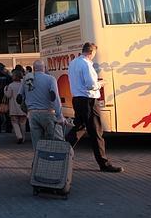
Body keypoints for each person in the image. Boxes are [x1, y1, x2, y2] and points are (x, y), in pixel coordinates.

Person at [66, 43, 123, 173]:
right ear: (91, 52)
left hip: (77, 99)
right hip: (89, 100)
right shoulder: (86, 64)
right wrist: (101, 83)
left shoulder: (74, 63)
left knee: (79, 128)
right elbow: (91, 85)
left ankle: (61, 151)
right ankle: (104, 163)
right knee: (96, 132)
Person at [18, 60, 64, 150]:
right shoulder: (50, 79)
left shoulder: (26, 80)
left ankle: (38, 162)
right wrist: (59, 115)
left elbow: (19, 98)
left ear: (34, 69)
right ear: (44, 68)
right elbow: (54, 98)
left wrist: (26, 110)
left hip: (32, 115)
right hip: (48, 113)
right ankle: (53, 161)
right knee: (55, 142)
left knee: (37, 144)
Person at [5, 69, 26, 144]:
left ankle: (19, 136)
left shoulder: (11, 85)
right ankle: (23, 137)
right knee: (23, 123)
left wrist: (5, 90)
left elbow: (8, 95)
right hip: (23, 107)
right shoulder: (24, 84)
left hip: (14, 107)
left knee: (15, 123)